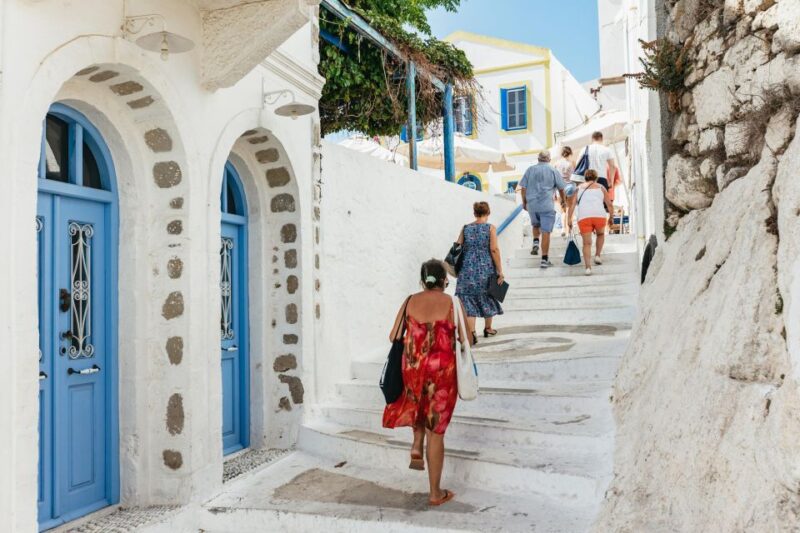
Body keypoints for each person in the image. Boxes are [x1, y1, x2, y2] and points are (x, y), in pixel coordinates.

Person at [383, 259, 468, 507]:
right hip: (442, 375)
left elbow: (393, 336)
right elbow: (467, 341)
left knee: (417, 405)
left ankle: (416, 442)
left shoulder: (410, 301)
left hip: (412, 368)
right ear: (445, 280)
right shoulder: (452, 303)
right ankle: (435, 493)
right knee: (437, 434)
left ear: (423, 281)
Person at [454, 202, 504, 343]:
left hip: (466, 269)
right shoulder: (490, 228)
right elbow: (494, 250)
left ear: (475, 213)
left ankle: (472, 333)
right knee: (489, 294)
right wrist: (500, 270)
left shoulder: (466, 229)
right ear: (488, 213)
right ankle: (488, 329)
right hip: (485, 269)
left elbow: (457, 247)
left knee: (468, 300)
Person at [519, 151, 567, 268]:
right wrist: (563, 201)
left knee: (535, 225)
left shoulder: (530, 169)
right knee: (546, 232)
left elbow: (523, 188)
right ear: (549, 159)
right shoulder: (553, 170)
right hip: (546, 204)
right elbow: (561, 188)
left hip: (532, 204)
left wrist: (524, 202)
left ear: (538, 159)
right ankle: (544, 260)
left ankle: (535, 241)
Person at [575, 169, 614, 276]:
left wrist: (569, 219)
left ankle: (588, 268)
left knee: (586, 243)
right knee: (600, 234)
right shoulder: (601, 187)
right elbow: (609, 204)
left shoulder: (578, 188)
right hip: (599, 215)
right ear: (596, 178)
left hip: (584, 216)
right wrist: (611, 216)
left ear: (585, 178)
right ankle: (597, 255)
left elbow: (572, 205)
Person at [554, 146, 576, 235]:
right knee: (569, 209)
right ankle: (570, 230)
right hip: (570, 186)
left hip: (560, 189)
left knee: (562, 210)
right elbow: (574, 176)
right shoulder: (571, 163)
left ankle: (563, 229)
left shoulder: (556, 164)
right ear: (569, 153)